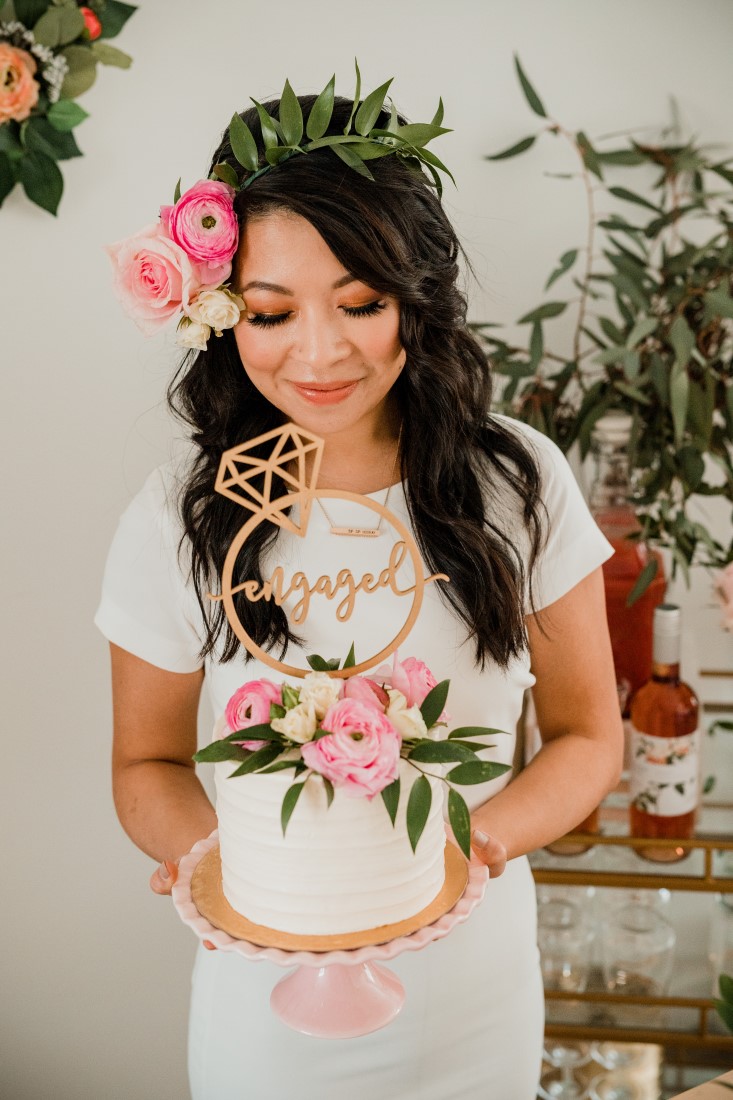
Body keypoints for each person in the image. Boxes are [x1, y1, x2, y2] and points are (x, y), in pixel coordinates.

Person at [97, 79, 624, 1100]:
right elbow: (145, 759)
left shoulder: (514, 482)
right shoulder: (181, 512)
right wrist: (226, 858)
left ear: (414, 300)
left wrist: (471, 849)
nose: (320, 351)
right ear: (216, 312)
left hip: (474, 997)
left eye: (361, 303)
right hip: (266, 1008)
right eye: (270, 310)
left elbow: (586, 735)